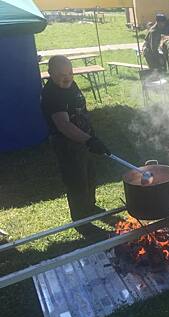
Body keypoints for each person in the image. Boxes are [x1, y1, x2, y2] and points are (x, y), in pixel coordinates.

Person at [40, 55, 110, 233]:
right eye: (62, 74)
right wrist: (89, 140)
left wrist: (91, 134)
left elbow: (81, 111)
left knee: (89, 175)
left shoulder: (72, 84)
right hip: (67, 144)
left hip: (82, 138)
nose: (67, 77)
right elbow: (64, 125)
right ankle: (81, 223)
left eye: (70, 72)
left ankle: (90, 207)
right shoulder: (51, 95)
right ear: (50, 73)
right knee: (76, 181)